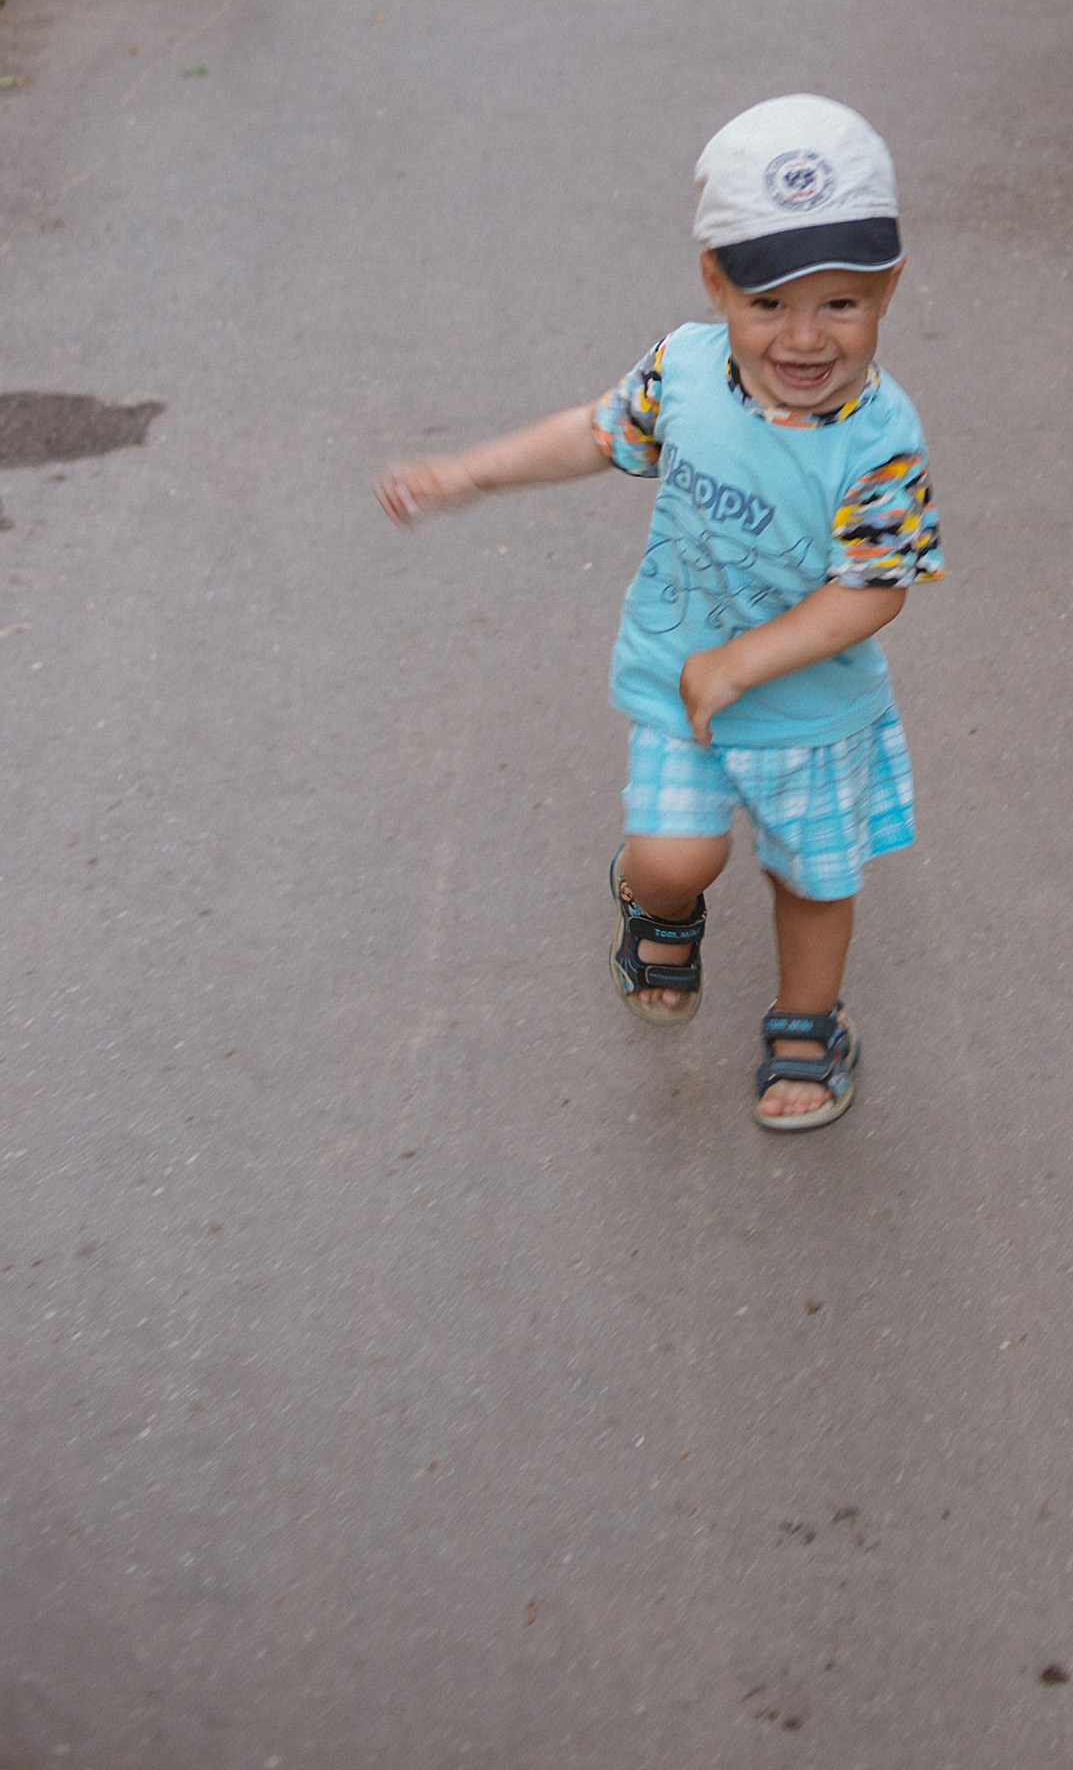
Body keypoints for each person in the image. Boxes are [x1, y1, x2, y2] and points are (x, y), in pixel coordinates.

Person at [374, 96, 943, 1130]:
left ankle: (809, 1022)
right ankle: (656, 908)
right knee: (672, 859)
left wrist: (744, 662)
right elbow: (593, 436)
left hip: (811, 716)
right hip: (680, 686)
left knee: (814, 884)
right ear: (714, 283)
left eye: (841, 304)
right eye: (768, 302)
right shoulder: (683, 371)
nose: (805, 337)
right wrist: (469, 473)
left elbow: (872, 587)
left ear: (889, 288)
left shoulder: (880, 439)